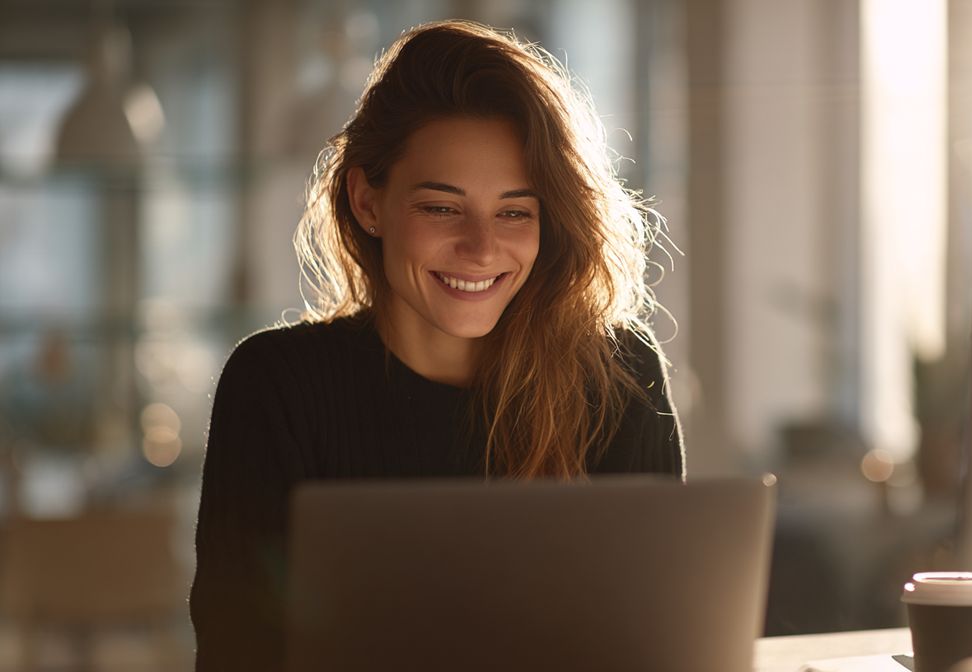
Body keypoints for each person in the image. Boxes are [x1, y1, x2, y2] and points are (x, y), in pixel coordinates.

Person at [189, 19, 685, 671]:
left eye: (515, 211)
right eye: (442, 207)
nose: (482, 249)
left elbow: (659, 642)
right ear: (369, 201)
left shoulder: (619, 375)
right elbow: (238, 653)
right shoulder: (277, 386)